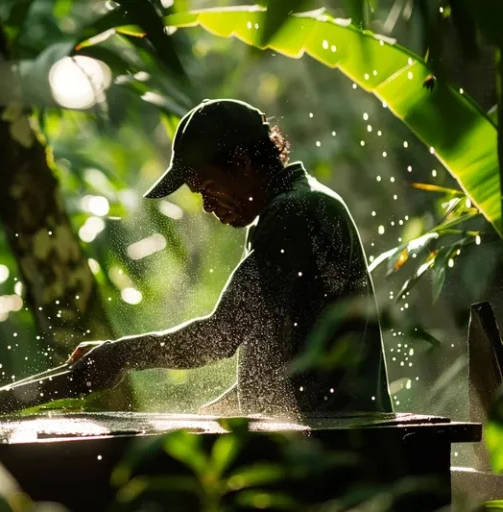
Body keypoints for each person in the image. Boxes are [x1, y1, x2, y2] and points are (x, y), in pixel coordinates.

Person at [69, 98, 392, 416]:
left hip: (338, 446)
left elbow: (219, 335)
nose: (208, 207)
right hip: (339, 433)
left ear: (241, 162)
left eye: (208, 189)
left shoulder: (293, 213)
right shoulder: (303, 205)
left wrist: (119, 355)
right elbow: (298, 346)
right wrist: (233, 401)